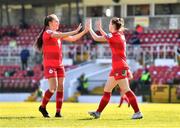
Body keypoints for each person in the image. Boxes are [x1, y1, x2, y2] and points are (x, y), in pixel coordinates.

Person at [87, 17, 143, 119]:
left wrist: (92, 29)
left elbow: (97, 38)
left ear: (113, 26)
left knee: (126, 90)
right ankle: (98, 112)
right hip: (117, 67)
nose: (108, 25)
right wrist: (97, 29)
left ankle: (138, 112)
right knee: (107, 90)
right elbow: (105, 36)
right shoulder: (120, 34)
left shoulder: (114, 35)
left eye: (110, 23)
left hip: (119, 67)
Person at [34, 14, 89, 118]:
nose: (58, 23)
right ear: (50, 23)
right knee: (52, 88)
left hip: (59, 64)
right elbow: (60, 35)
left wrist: (84, 31)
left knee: (61, 87)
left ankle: (58, 112)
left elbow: (73, 39)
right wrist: (75, 30)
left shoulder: (58, 34)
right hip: (50, 64)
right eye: (56, 21)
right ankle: (42, 107)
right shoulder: (48, 32)